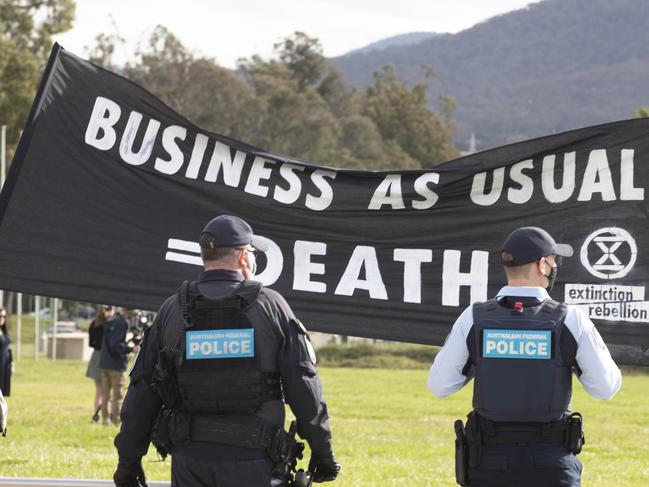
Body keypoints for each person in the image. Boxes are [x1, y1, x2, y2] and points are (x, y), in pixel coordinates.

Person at [113, 215, 340, 487]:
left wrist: (128, 461)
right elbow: (303, 385)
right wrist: (322, 452)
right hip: (254, 460)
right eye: (253, 253)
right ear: (243, 257)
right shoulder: (272, 307)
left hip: (190, 462)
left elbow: (142, 391)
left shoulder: (172, 310)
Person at [428, 226, 622, 487]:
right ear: (542, 265)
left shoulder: (474, 317)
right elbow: (605, 388)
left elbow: (440, 386)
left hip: (488, 461)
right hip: (551, 463)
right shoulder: (570, 319)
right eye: (553, 261)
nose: (554, 267)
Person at [99, 306, 138, 425]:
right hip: (116, 364)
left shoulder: (110, 320)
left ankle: (105, 419)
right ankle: (117, 420)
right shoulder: (121, 323)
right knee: (118, 395)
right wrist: (131, 348)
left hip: (105, 362)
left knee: (105, 394)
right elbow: (116, 345)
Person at [87, 305, 112, 421]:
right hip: (106, 357)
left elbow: (91, 343)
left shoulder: (93, 324)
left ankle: (96, 413)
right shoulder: (109, 324)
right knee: (107, 390)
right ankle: (106, 415)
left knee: (98, 390)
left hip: (95, 356)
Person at [0, 309, 12, 397]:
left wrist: (12, 362)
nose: (2, 318)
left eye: (4, 316)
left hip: (5, 364)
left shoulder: (4, 331)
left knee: (2, 391)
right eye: (0, 316)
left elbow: (8, 348)